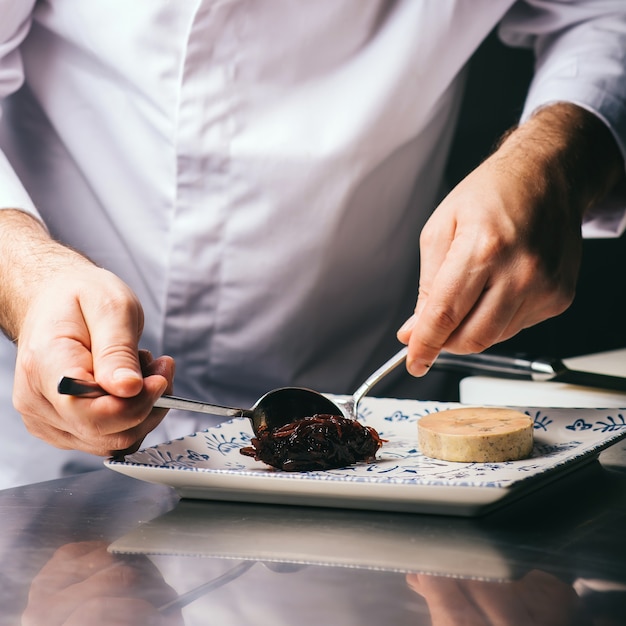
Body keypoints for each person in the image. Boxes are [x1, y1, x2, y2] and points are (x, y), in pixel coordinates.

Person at [0, 1, 625, 488]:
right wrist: (28, 277)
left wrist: (556, 160)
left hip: (385, 433)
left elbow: (603, 16)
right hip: (45, 452)